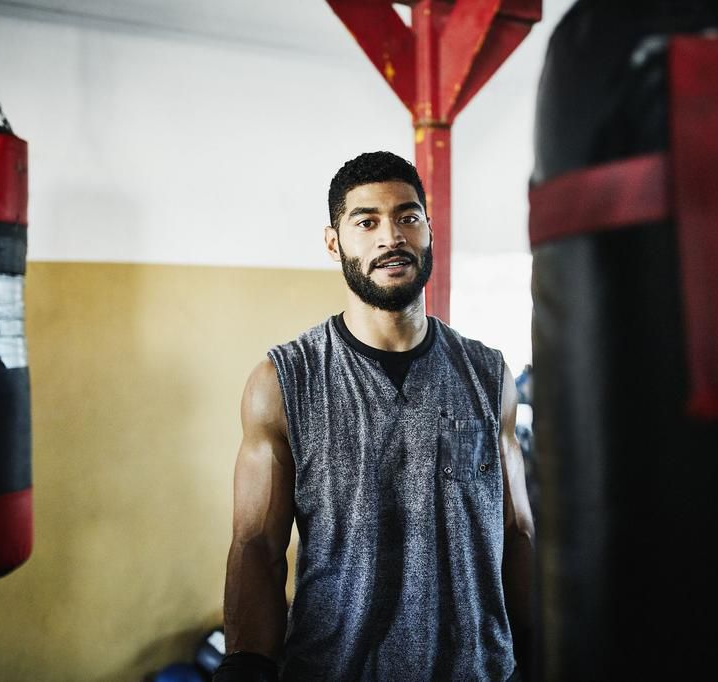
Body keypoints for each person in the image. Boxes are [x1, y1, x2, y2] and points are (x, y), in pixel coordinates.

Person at [216, 151, 535, 681]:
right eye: (367, 222)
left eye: (408, 217)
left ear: (429, 231)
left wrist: (542, 649)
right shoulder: (283, 383)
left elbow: (517, 530)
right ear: (333, 241)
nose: (392, 237)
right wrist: (247, 664)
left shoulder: (488, 374)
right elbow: (257, 546)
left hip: (479, 671)